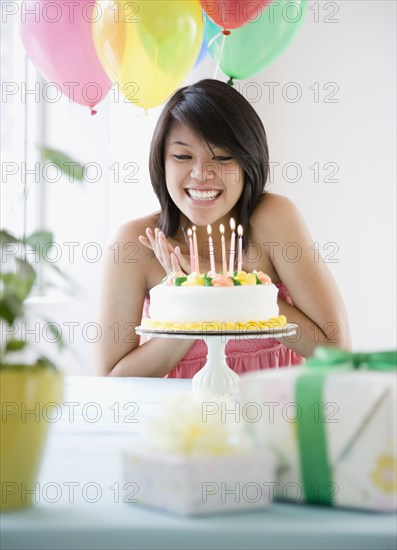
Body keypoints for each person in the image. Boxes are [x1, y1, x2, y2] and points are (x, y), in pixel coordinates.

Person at [96, 79, 351, 377]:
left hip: (270, 416)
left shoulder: (274, 219)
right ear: (161, 162)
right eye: (183, 156)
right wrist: (193, 303)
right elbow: (112, 379)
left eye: (221, 157)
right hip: (181, 420)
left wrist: (231, 286)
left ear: (247, 161)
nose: (201, 173)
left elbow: (337, 349)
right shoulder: (136, 244)